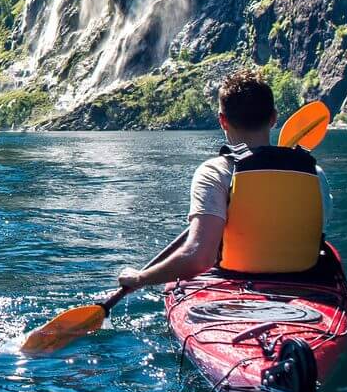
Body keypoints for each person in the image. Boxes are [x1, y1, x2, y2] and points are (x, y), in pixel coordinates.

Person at [116, 68, 331, 292]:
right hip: (308, 286)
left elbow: (200, 258)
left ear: (222, 121)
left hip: (236, 283)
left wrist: (141, 278)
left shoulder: (215, 173)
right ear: (274, 118)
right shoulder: (314, 172)